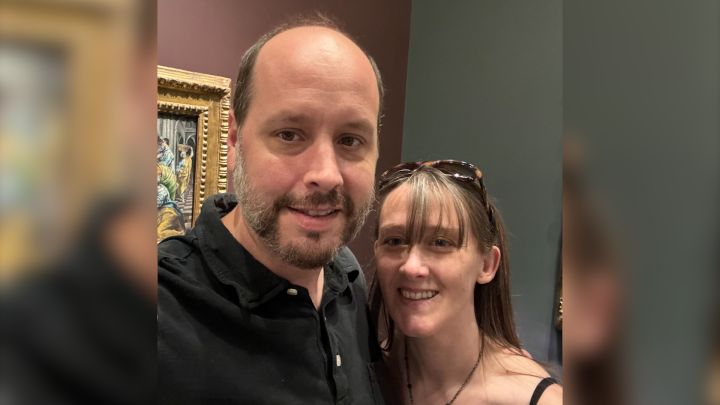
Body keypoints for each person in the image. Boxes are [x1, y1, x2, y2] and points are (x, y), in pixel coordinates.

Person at [158, 15, 385, 404]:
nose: (326, 175)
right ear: (234, 140)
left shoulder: (348, 280)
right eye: (289, 134)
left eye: (350, 140)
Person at [370, 160, 563, 405]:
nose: (411, 267)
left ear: (487, 265)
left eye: (440, 243)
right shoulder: (364, 376)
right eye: (395, 241)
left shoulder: (539, 399)